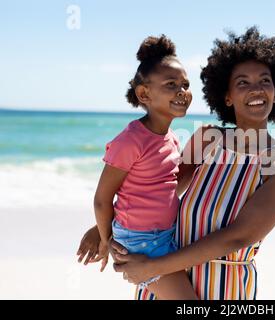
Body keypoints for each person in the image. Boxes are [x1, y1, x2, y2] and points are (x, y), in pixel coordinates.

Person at [79, 27, 275, 300]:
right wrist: (105, 228)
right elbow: (160, 189)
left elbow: (238, 238)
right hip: (162, 282)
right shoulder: (208, 139)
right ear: (227, 96)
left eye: (265, 81)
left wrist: (152, 267)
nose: (256, 89)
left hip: (221, 286)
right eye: (242, 82)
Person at [76, 35, 197, 300]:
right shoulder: (131, 140)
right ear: (144, 93)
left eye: (185, 85)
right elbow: (102, 199)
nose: (182, 91)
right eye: (171, 84)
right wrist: (106, 240)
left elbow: (167, 187)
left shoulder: (171, 138)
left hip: (164, 235)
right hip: (142, 243)